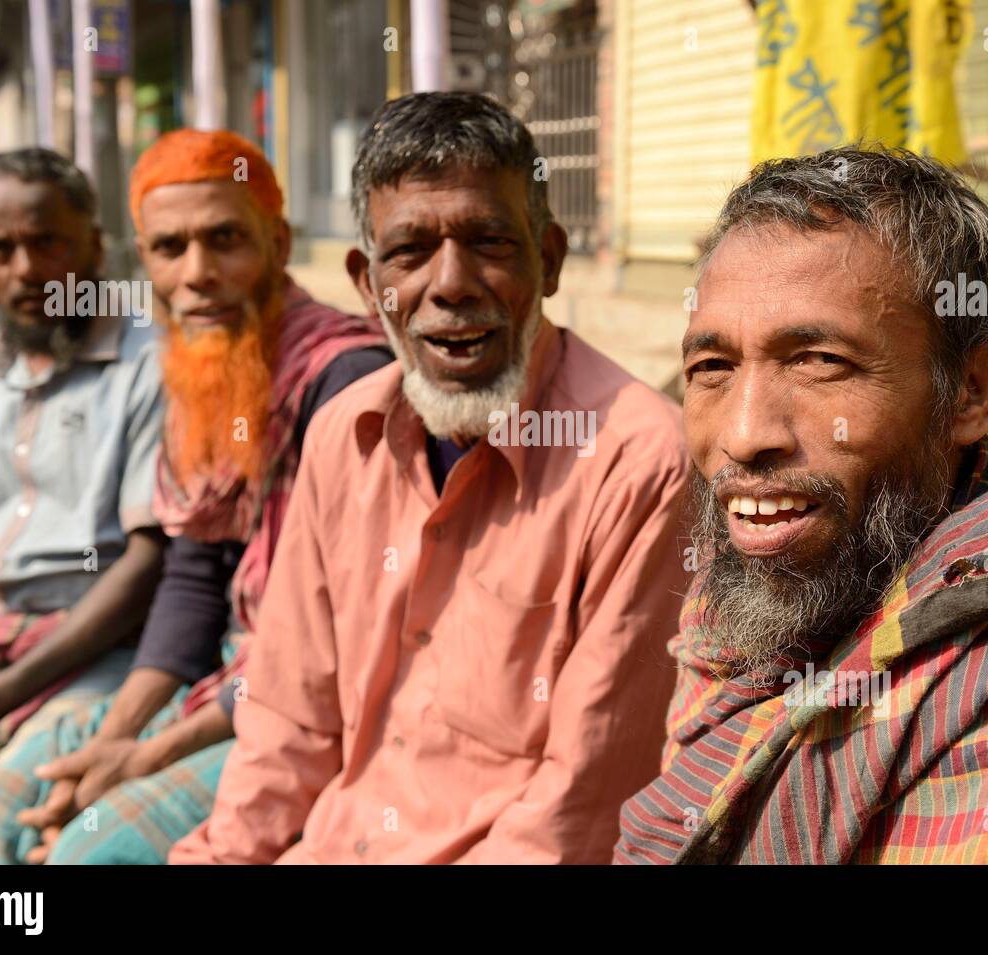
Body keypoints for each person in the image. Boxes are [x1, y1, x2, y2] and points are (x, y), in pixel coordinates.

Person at [615, 147, 988, 864]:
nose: (743, 433)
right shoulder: (732, 621)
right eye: (712, 369)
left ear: (970, 391)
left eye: (821, 362)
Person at [171, 91, 689, 864]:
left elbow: (578, 805)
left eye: (489, 241)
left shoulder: (639, 460)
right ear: (366, 280)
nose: (451, 283)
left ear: (547, 259)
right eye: (411, 251)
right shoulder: (342, 435)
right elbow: (288, 724)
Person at [0, 130, 391, 865]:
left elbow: (334, 646)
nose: (197, 273)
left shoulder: (346, 380)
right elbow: (194, 577)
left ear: (278, 242)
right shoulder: (204, 368)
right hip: (219, 679)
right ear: (145, 261)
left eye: (225, 239)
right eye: (171, 249)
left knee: (82, 851)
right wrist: (117, 735)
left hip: (311, 705)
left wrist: (145, 754)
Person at [0, 147, 165, 863]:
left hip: (96, 654)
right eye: (1, 249)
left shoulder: (149, 364)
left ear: (95, 246)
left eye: (48, 242)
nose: (25, 269)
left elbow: (146, 565)